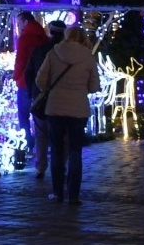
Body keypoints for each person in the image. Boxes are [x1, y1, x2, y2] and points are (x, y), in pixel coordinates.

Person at [35, 25, 101, 206]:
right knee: (75, 151)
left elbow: (40, 79)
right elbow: (94, 86)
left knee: (56, 150)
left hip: (55, 107)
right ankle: (74, 195)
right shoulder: (88, 56)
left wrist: (51, 89)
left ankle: (57, 193)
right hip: (79, 110)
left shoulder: (54, 53)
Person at [25, 20, 66, 182]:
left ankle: (41, 167)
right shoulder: (66, 52)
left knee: (41, 134)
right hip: (62, 98)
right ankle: (61, 166)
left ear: (50, 32)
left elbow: (29, 73)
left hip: (40, 97)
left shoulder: (39, 51)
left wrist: (32, 93)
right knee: (62, 135)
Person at [12, 12, 48, 170]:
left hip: (25, 82)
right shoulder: (43, 37)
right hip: (42, 82)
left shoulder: (25, 38)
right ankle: (42, 146)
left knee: (23, 114)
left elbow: (20, 60)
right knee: (40, 115)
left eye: (19, 23)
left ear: (25, 22)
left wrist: (16, 76)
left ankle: (27, 143)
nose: (18, 26)